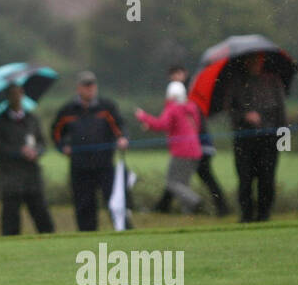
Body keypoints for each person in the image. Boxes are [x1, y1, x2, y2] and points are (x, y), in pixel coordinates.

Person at [50, 71, 128, 231]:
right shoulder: (68, 110)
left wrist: (122, 138)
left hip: (105, 164)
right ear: (79, 88)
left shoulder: (107, 107)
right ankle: (87, 238)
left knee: (115, 203)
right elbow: (56, 133)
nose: (90, 89)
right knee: (84, 206)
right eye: (86, 86)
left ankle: (124, 232)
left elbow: (120, 126)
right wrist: (62, 147)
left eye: (92, 85)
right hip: (80, 167)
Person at [153, 65, 231, 215]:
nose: (176, 78)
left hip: (198, 145)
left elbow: (194, 124)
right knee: (179, 179)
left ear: (185, 73)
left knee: (191, 178)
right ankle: (166, 208)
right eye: (173, 75)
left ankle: (215, 207)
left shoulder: (190, 97)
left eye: (178, 74)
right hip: (192, 145)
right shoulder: (184, 96)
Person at [227, 52, 287, 222]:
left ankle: (264, 215)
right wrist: (245, 116)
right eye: (251, 60)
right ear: (246, 62)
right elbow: (230, 111)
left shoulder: (274, 82)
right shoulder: (237, 83)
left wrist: (284, 142)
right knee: (245, 179)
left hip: (269, 139)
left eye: (258, 60)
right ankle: (246, 215)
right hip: (244, 140)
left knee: (267, 179)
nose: (255, 63)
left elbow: (282, 113)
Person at [0, 83, 53, 235]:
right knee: (10, 223)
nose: (16, 97)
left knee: (44, 221)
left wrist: (36, 152)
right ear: (8, 97)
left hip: (32, 177)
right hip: (10, 179)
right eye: (13, 94)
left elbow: (42, 143)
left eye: (19, 93)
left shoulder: (32, 119)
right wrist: (19, 152)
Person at [134, 81, 205, 214]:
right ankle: (188, 213)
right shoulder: (191, 108)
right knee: (183, 184)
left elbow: (162, 124)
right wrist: (151, 126)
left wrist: (143, 116)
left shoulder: (173, 108)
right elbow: (186, 126)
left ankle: (194, 201)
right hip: (195, 150)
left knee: (171, 182)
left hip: (181, 151)